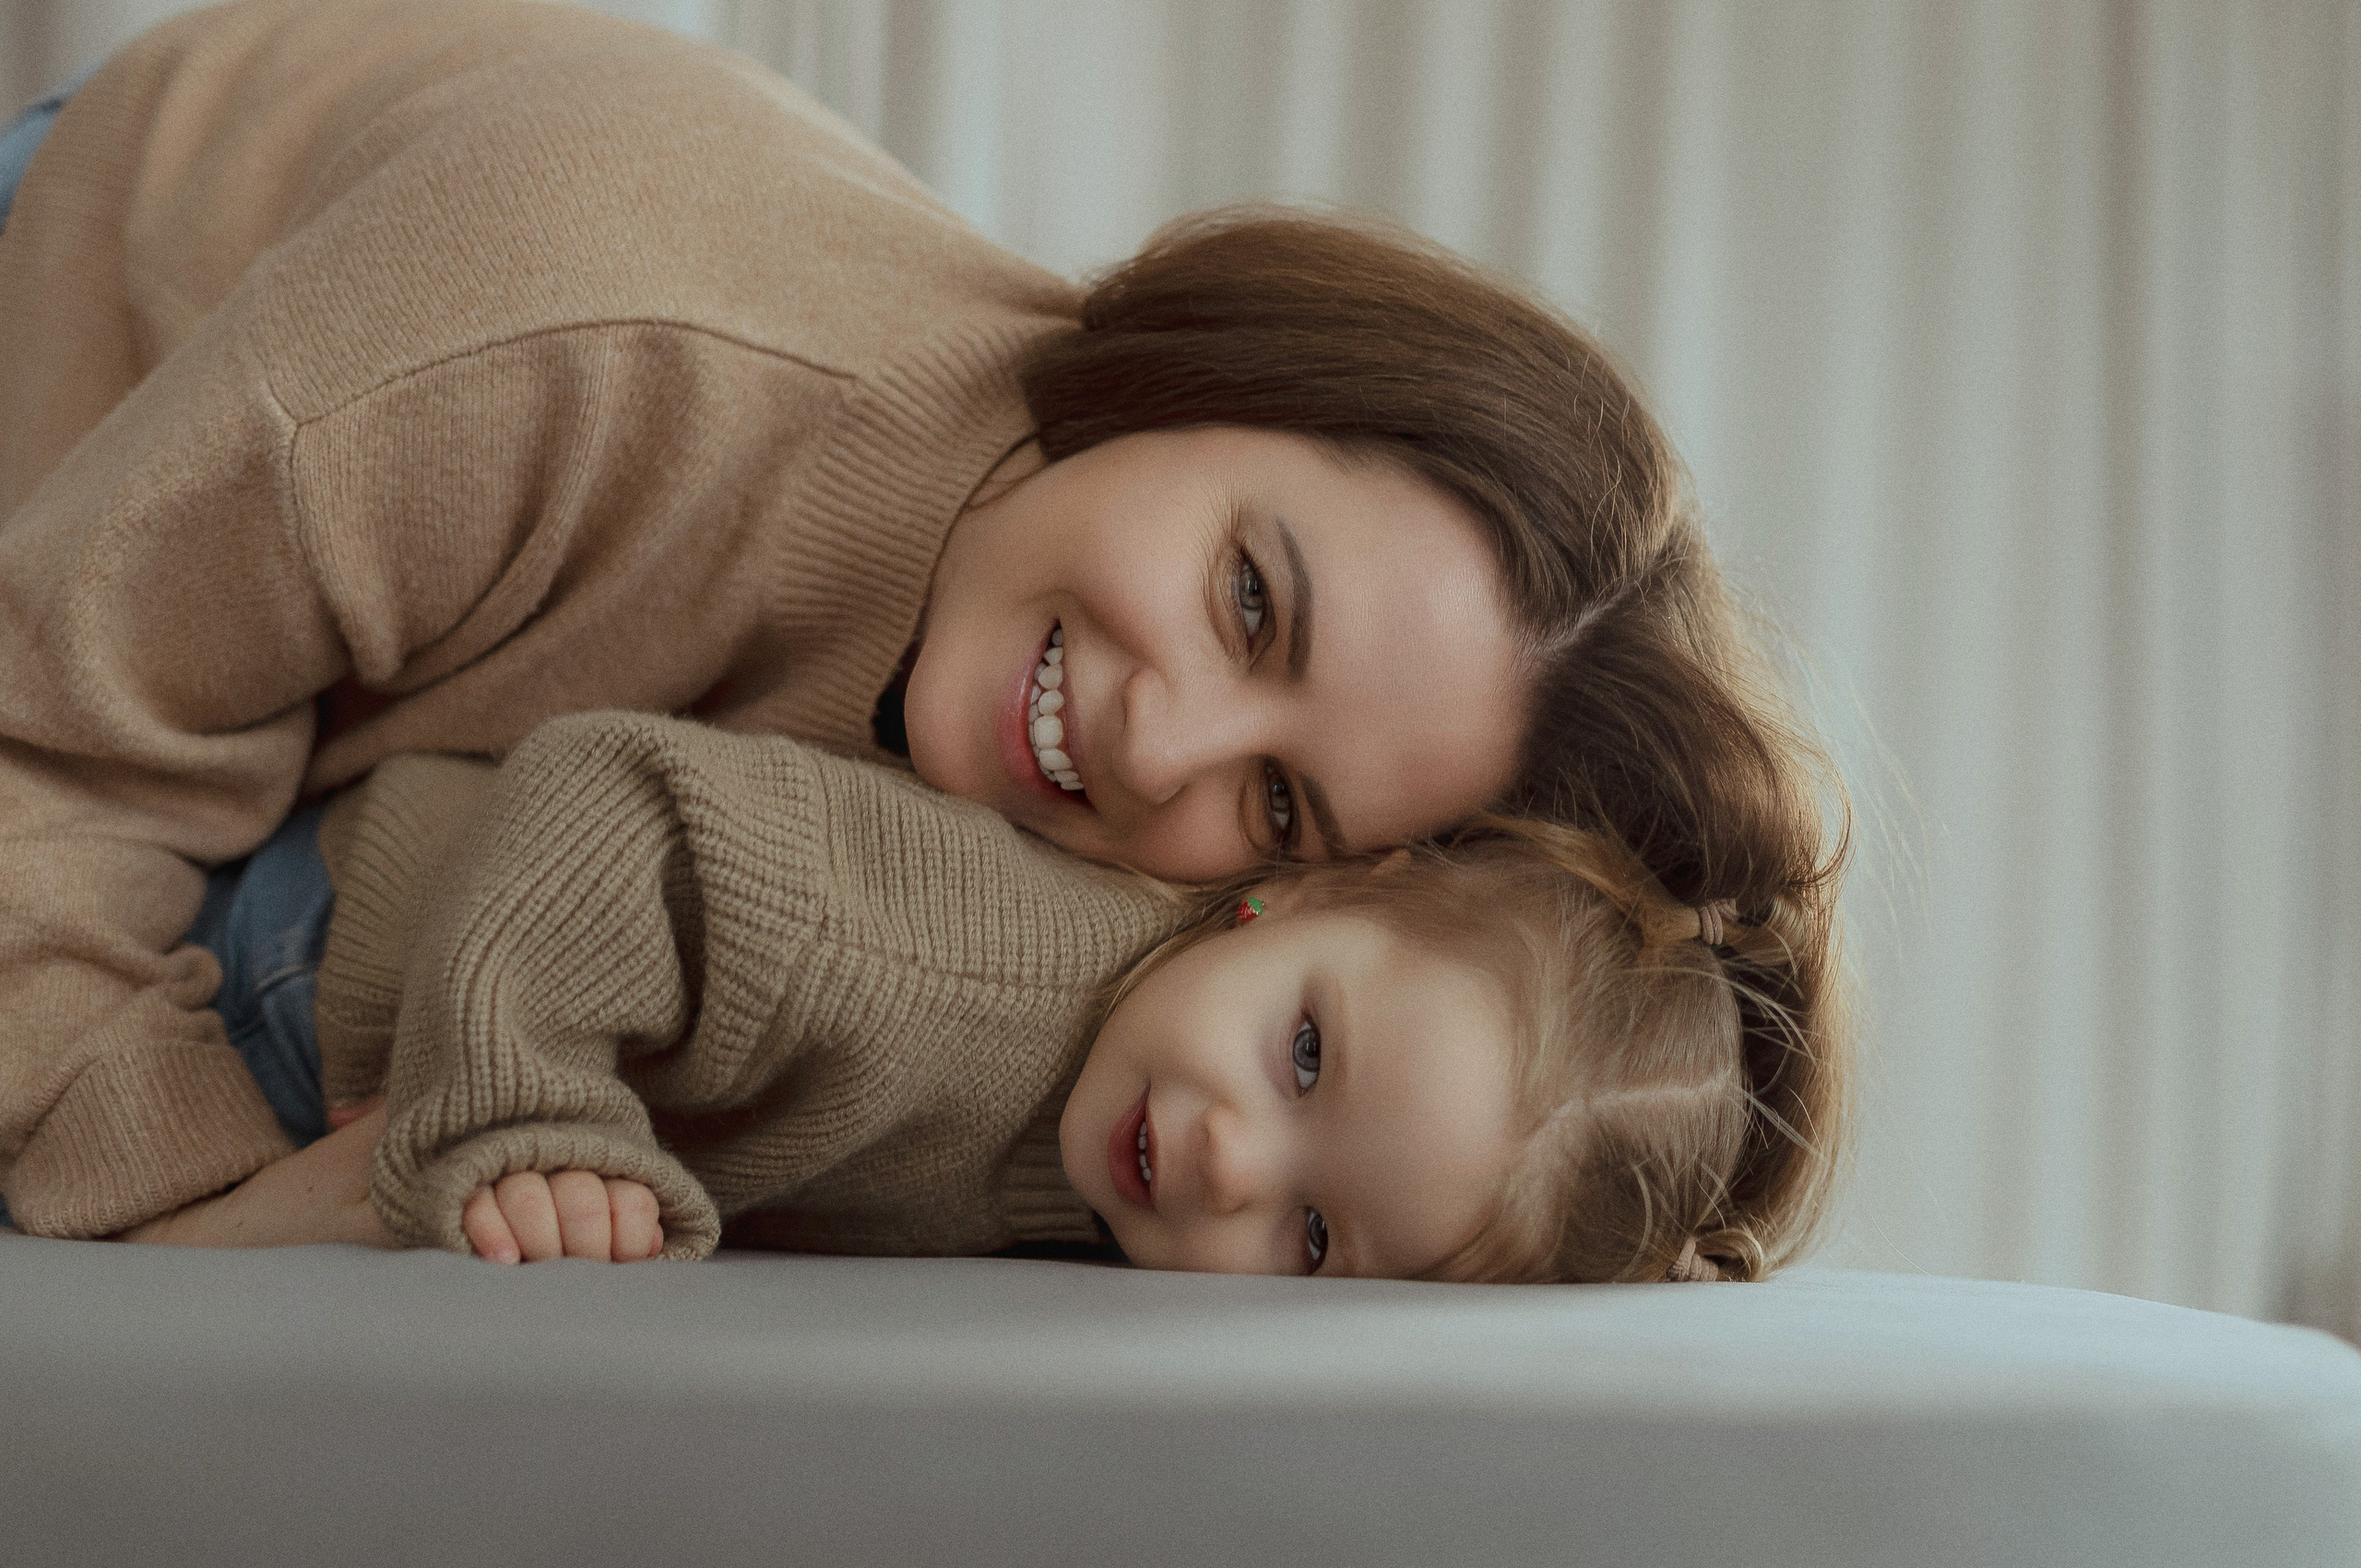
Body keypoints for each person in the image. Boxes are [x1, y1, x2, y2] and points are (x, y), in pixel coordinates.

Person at [0, 0, 1839, 1241]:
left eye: (1277, 802)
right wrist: (212, 1208)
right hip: (81, 328)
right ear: (1189, 379)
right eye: (1247, 598)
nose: (1159, 743)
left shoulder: (1180, 925)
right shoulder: (559, 351)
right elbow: (43, 751)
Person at [125, 710, 1847, 1282]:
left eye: (1315, 1241)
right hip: (329, 940)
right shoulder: (967, 959)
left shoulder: (1115, 1186)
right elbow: (610, 796)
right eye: (1303, 1049)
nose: (1235, 1165)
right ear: (1304, 891)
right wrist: (525, 1102)